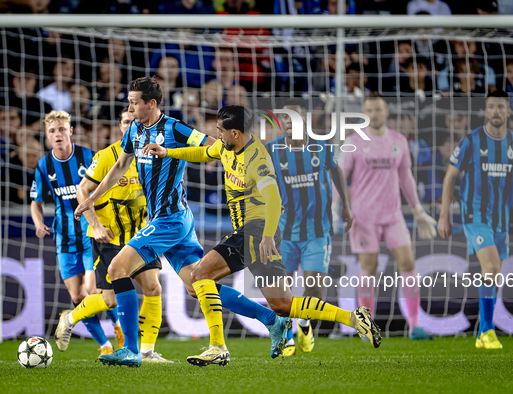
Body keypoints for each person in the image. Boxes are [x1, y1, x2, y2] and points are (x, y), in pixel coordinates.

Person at [75, 77, 293, 367]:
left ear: (150, 104)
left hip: (171, 218)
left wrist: (237, 160)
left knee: (117, 269)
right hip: (173, 220)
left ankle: (130, 349)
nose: (129, 107)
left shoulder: (174, 128)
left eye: (133, 102)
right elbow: (119, 166)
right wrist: (91, 199)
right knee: (196, 285)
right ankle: (270, 319)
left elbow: (210, 146)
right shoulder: (135, 132)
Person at [143, 105, 381, 367]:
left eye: (220, 131)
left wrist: (267, 236)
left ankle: (217, 347)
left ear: (236, 133)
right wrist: (168, 152)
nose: (217, 135)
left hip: (256, 231)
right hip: (253, 234)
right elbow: (202, 152)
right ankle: (354, 318)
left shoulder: (257, 160)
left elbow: (273, 196)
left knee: (199, 276)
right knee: (282, 304)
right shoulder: (226, 146)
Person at [55, 108, 172, 363]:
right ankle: (71, 317)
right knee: (108, 300)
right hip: (109, 236)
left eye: (135, 122)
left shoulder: (151, 156)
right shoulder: (107, 156)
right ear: (120, 127)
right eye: (126, 122)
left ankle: (148, 351)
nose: (131, 126)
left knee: (153, 287)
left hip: (140, 235)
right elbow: (82, 191)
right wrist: (96, 226)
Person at [438, 89, 513, 349]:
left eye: (501, 107)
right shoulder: (471, 141)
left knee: (494, 276)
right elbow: (450, 177)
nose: (496, 111)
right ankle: (486, 330)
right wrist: (444, 216)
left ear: (509, 111)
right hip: (474, 214)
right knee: (492, 267)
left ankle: (482, 334)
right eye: (491, 107)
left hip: (501, 218)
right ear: (486, 111)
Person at [340, 94, 437, 340]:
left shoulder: (399, 141)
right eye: (369, 110)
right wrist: (337, 206)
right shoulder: (353, 142)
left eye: (378, 109)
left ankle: (415, 326)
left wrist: (418, 210)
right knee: (368, 268)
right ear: (364, 114)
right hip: (364, 217)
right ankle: (366, 326)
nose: (374, 114)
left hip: (393, 216)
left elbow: (406, 177)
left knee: (408, 264)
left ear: (386, 112)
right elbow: (339, 176)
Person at [264, 98, 353, 356]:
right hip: (284, 231)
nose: (291, 123)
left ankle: (304, 322)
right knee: (283, 289)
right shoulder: (271, 150)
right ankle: (287, 336)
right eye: (287, 118)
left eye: (296, 117)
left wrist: (345, 205)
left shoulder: (322, 147)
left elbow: (336, 172)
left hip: (317, 230)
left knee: (316, 287)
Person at [30, 110, 113, 358]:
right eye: (53, 131)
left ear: (71, 131)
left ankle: (119, 329)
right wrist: (38, 222)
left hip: (89, 233)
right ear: (47, 135)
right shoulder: (44, 164)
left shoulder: (88, 156)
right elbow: (36, 201)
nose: (58, 134)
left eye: (62, 129)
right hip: (63, 239)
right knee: (77, 295)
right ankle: (104, 344)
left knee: (94, 289)